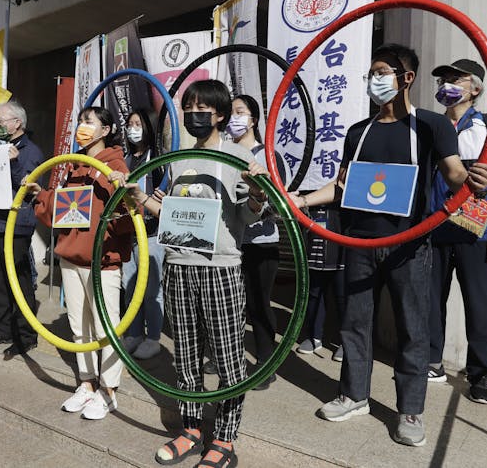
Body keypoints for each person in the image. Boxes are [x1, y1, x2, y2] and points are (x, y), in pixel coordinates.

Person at [291, 44, 487, 447]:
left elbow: (454, 174)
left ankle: (411, 410)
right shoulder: (357, 132)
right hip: (359, 242)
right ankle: (353, 394)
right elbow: (341, 186)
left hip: (409, 245)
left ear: (406, 78)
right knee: (354, 323)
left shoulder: (431, 126)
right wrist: (302, 199)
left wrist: (477, 181)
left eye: (382, 71)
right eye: (371, 73)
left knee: (413, 329)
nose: (374, 80)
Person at [114, 80, 268, 467]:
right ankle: (192, 429)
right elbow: (171, 215)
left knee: (230, 360)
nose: (193, 114)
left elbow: (251, 215)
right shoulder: (178, 158)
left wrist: (257, 192)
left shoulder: (238, 157)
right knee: (185, 357)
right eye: (188, 107)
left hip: (220, 270)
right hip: (178, 266)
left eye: (201, 108)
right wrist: (139, 198)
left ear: (218, 114)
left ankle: (226, 439)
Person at [28, 106, 132, 421]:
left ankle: (108, 390)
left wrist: (123, 193)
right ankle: (87, 383)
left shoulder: (116, 167)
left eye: (89, 122)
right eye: (81, 121)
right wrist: (41, 196)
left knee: (106, 327)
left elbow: (128, 221)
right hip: (70, 258)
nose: (82, 127)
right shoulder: (73, 167)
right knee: (79, 326)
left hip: (102, 262)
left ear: (107, 129)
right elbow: (62, 214)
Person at [427, 58, 487, 403]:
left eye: (455, 78)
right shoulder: (428, 126)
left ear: (476, 88)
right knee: (430, 298)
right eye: (444, 79)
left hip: (477, 229)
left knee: (480, 303)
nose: (447, 84)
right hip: (433, 226)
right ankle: (431, 359)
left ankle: (482, 374)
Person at [224, 94, 291, 389]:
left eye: (241, 112)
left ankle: (266, 363)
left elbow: (281, 201)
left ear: (254, 119)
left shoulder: (267, 156)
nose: (235, 117)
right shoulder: (223, 153)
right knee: (230, 305)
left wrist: (257, 204)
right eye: (232, 112)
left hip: (261, 243)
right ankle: (228, 356)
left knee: (259, 304)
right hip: (229, 243)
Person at [0, 101, 43, 358]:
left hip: (15, 225)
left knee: (19, 282)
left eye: (1, 120)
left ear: (18, 123)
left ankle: (25, 336)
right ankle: (1, 329)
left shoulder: (30, 151)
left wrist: (13, 164)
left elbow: (28, 187)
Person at [120, 108, 165, 360]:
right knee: (130, 287)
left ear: (149, 127)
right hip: (129, 232)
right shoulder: (125, 157)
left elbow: (165, 194)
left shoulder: (159, 159)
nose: (133, 128)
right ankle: (134, 333)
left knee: (150, 290)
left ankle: (153, 338)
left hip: (152, 233)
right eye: (130, 123)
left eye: (138, 123)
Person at [295, 205, 345, 362]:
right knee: (314, 295)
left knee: (343, 298)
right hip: (313, 249)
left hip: (340, 250)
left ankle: (345, 342)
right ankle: (313, 336)